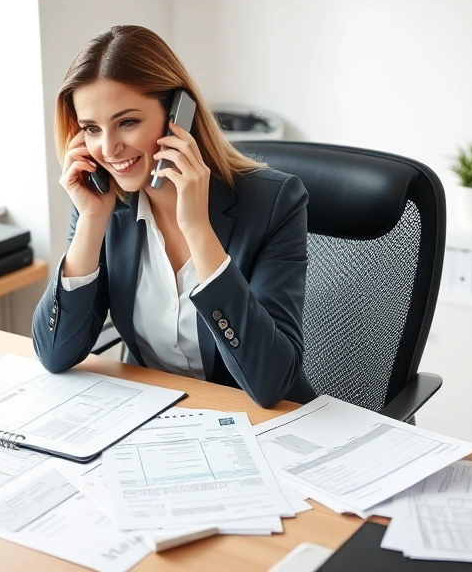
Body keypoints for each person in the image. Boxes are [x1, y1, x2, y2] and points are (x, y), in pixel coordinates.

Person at [31, 25, 315, 408]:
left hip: (260, 427)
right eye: (91, 129)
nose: (108, 148)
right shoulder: (101, 206)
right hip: (158, 423)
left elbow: (270, 382)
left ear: (178, 115)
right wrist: (91, 223)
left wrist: (197, 228)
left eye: (127, 122)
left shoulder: (275, 203)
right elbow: (55, 354)